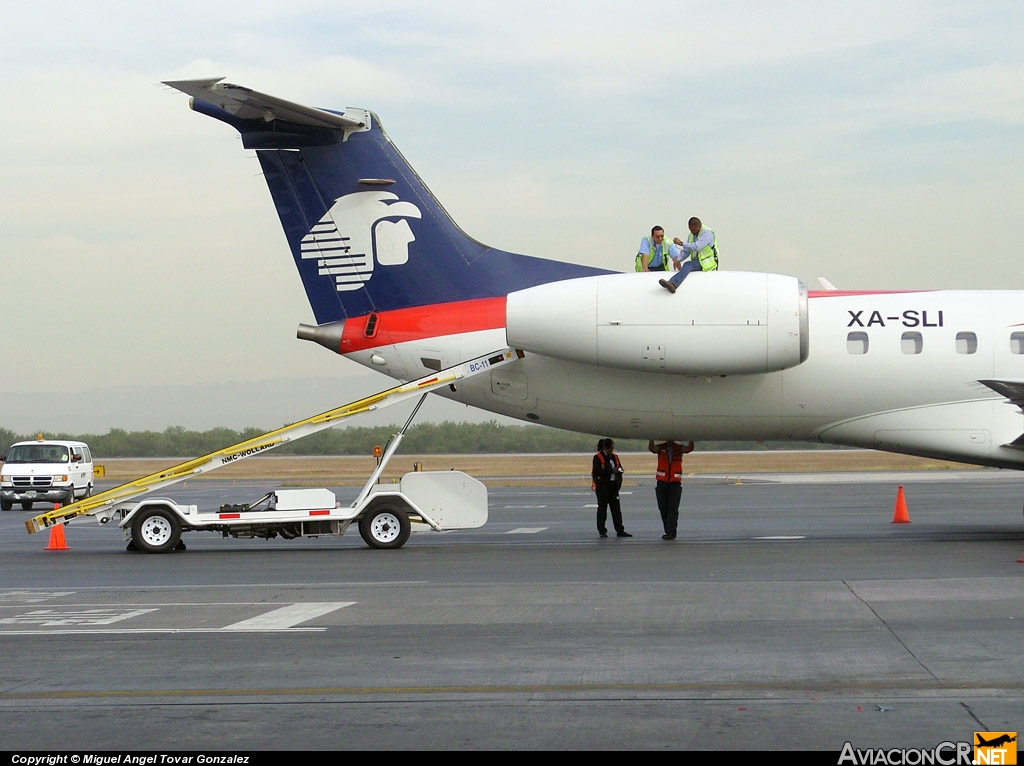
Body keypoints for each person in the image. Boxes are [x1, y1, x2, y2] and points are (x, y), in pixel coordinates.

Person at [648, 439, 694, 539]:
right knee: (663, 508)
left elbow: (690, 449)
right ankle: (668, 530)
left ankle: (671, 532)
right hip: (662, 483)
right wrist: (650, 438)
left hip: (675, 483)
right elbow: (652, 449)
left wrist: (691, 438)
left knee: (673, 508)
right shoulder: (661, 447)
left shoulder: (679, 448)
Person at [659, 217, 719, 293]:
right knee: (688, 265)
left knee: (688, 265)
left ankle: (674, 284)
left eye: (694, 230)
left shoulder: (707, 233)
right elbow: (687, 250)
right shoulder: (691, 234)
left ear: (699, 227)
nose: (692, 232)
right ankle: (672, 282)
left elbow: (696, 246)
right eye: (690, 230)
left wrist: (680, 243)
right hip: (698, 261)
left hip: (708, 262)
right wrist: (678, 260)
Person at [592, 438, 631, 538]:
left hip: (613, 487)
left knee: (616, 509)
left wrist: (619, 471)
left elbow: (620, 467)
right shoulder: (598, 457)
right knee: (602, 509)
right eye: (611, 448)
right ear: (606, 448)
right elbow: (596, 471)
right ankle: (602, 530)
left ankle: (620, 530)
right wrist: (610, 470)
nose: (612, 450)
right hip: (603, 487)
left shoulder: (615, 457)